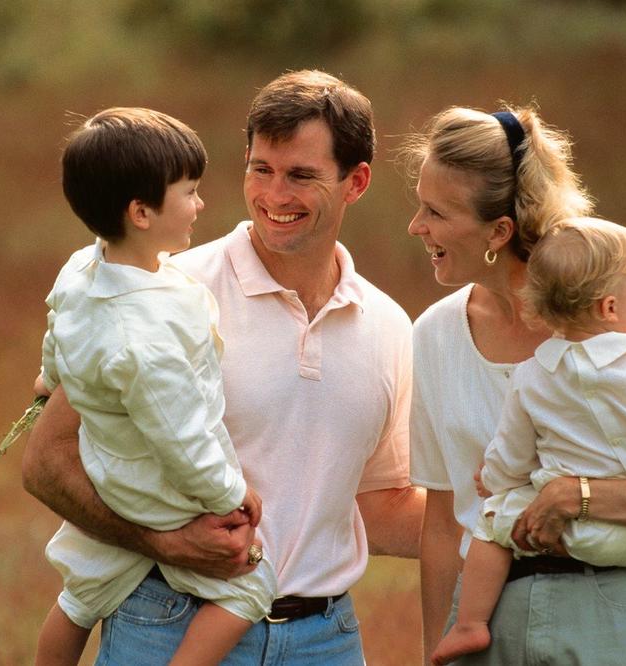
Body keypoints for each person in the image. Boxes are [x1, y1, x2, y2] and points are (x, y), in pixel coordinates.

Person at [22, 70, 424, 664]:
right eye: (260, 169)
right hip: (166, 622)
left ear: (355, 182)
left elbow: (378, 505)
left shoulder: (389, 326)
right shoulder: (168, 293)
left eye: (301, 176)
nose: (274, 195)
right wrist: (163, 541)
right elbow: (46, 463)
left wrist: (504, 520)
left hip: (326, 639)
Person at [403, 105, 626, 665]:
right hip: (488, 619)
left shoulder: (605, 317)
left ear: (499, 231)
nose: (416, 226)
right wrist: (435, 653)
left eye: (435, 212)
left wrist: (579, 497)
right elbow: (443, 526)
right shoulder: (434, 336)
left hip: (618, 606)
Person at [31, 107, 276, 666]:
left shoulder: (80, 268)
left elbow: (57, 326)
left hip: (108, 465)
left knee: (81, 593)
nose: (200, 204)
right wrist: (229, 494)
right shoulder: (144, 341)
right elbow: (181, 438)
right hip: (154, 487)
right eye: (188, 192)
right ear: (141, 212)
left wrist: (50, 377)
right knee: (250, 586)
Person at [431, 216, 626, 666]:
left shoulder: (534, 376)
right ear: (610, 307)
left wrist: (492, 479)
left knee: (492, 524)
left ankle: (470, 625)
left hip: (562, 533)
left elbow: (510, 457)